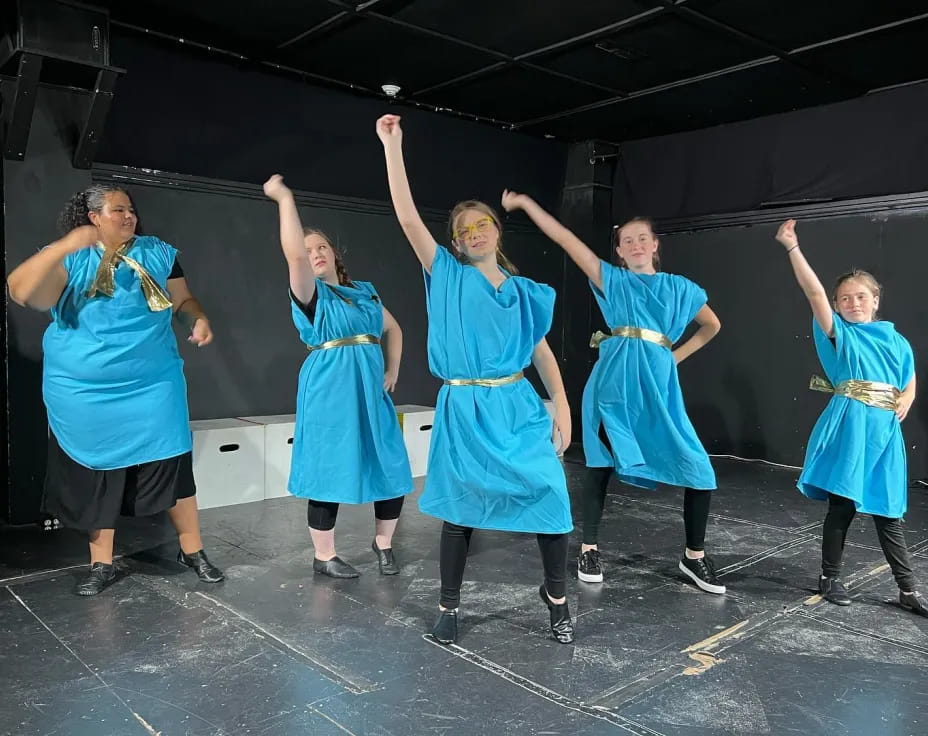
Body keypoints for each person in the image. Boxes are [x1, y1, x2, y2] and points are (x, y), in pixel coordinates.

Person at [377, 114, 574, 645]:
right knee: (461, 510)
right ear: (457, 244)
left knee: (551, 500)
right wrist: (393, 147)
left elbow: (541, 353)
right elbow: (407, 218)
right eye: (462, 231)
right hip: (464, 408)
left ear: (496, 229)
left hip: (516, 405)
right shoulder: (445, 272)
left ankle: (556, 600)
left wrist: (562, 404)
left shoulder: (522, 291)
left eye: (480, 224)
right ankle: (449, 606)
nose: (472, 233)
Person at [500, 195, 725, 594]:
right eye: (627, 241)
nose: (636, 245)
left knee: (698, 468)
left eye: (643, 238)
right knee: (601, 462)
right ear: (620, 252)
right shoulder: (612, 280)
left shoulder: (680, 288)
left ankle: (694, 556)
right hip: (614, 384)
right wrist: (527, 205)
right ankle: (589, 547)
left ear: (655, 245)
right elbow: (567, 239)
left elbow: (711, 325)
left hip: (657, 387)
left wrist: (675, 356)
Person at [6, 183, 223, 596]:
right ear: (93, 218)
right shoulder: (73, 258)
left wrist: (197, 319)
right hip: (86, 390)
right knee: (97, 474)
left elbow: (182, 301)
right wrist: (66, 245)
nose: (129, 217)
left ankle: (193, 551)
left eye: (131, 210)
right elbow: (21, 291)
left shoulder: (159, 253)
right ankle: (101, 563)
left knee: (172, 464)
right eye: (118, 210)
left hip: (152, 382)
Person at [263, 174, 412, 579]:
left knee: (391, 465)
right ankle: (324, 555)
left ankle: (383, 543)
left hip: (370, 390)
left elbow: (393, 328)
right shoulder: (311, 295)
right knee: (329, 468)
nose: (314, 253)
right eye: (309, 249)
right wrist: (284, 199)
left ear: (333, 253)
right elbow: (293, 257)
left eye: (322, 247)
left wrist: (392, 369)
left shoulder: (364, 290)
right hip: (330, 389)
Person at [775, 219, 926, 615]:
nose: (853, 303)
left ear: (876, 300)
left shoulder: (896, 340)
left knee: (889, 511)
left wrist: (908, 397)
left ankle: (908, 590)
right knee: (843, 504)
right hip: (852, 425)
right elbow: (813, 292)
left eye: (861, 297)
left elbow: (909, 376)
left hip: (884, 432)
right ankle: (830, 577)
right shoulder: (840, 333)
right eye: (845, 298)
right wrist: (792, 247)